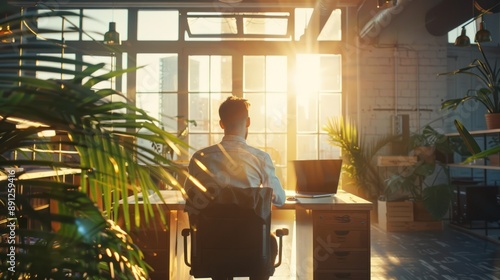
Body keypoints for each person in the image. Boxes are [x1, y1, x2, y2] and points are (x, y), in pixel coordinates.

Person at [183, 96, 286, 278]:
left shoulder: (200, 157)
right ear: (248, 122)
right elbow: (279, 198)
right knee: (268, 241)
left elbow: (189, 196)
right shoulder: (261, 158)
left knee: (219, 247)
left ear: (221, 124)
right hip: (252, 249)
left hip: (212, 246)